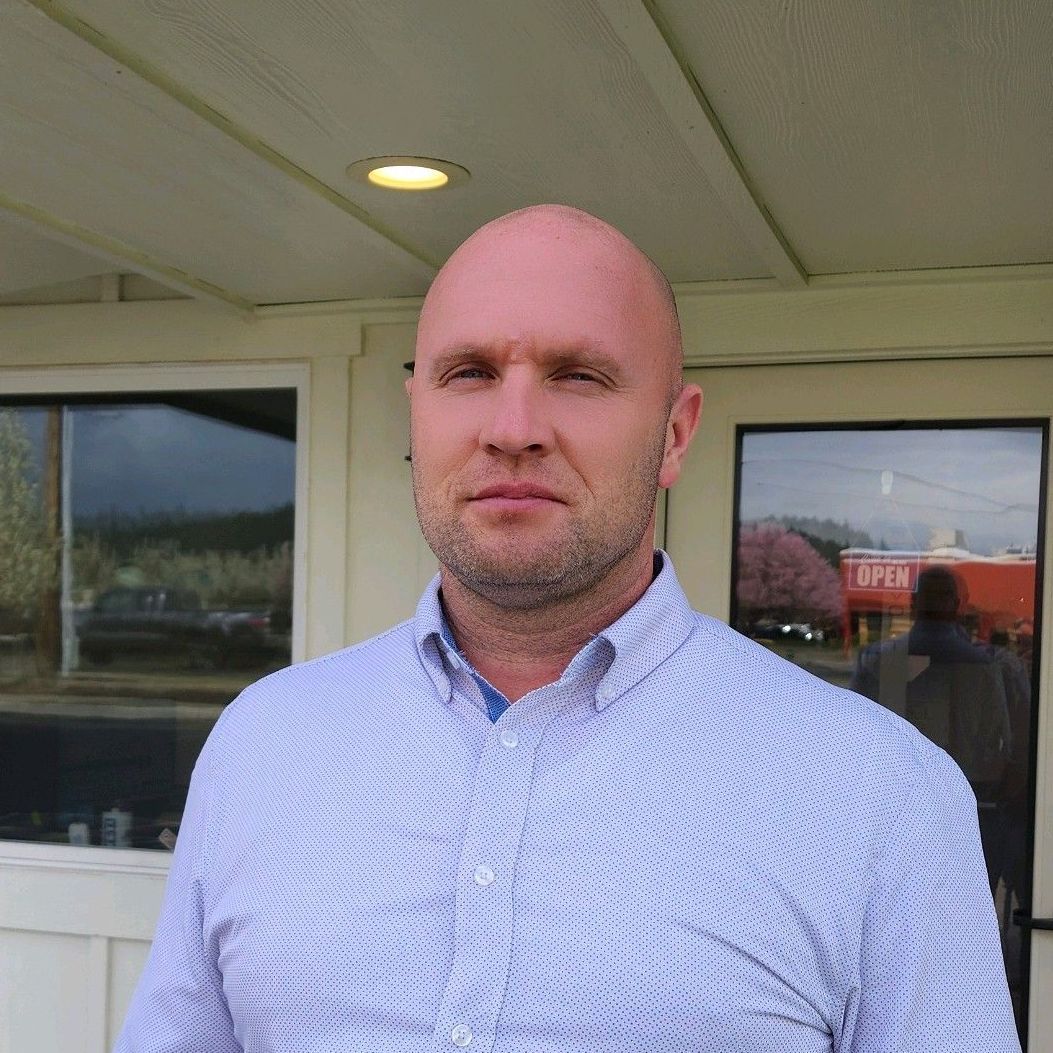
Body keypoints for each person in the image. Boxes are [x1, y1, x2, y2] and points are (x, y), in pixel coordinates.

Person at [115, 205, 1019, 1052]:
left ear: (673, 434)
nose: (512, 429)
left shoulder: (878, 795)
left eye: (577, 375)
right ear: (416, 413)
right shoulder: (262, 742)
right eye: (467, 373)